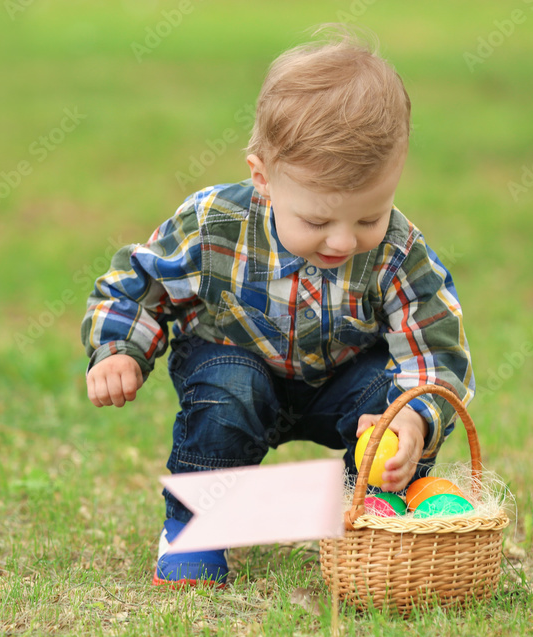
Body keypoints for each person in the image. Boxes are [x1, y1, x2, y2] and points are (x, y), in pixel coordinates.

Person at [80, 25, 474, 588]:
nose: (342, 241)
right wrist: (119, 349)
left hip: (338, 383)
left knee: (389, 407)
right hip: (235, 364)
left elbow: (437, 351)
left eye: (368, 217)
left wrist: (414, 417)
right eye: (317, 221)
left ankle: (374, 511)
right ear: (263, 179)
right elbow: (138, 282)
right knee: (230, 393)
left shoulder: (399, 253)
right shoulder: (214, 224)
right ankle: (197, 529)